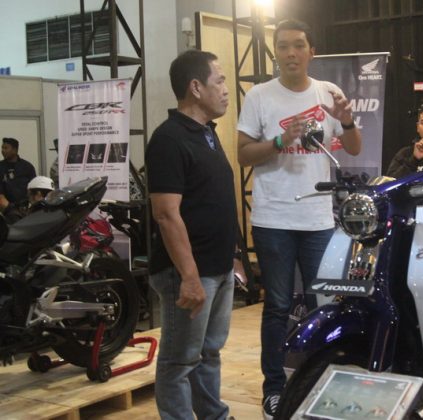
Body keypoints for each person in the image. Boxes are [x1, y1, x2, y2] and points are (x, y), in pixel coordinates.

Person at [236, 18, 362, 419]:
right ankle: (274, 389)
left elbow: (354, 148)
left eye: (298, 45)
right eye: (283, 46)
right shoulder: (259, 96)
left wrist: (346, 120)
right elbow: (242, 154)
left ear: (311, 52)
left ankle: (319, 382)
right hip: (272, 219)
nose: (290, 53)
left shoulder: (328, 92)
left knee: (322, 303)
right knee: (276, 305)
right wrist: (280, 140)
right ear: (276, 53)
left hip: (318, 219)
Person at [145, 49, 237, 420]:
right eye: (220, 80)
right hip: (187, 272)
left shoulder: (208, 134)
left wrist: (231, 260)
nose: (226, 89)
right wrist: (189, 276)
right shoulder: (168, 139)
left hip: (217, 268)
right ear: (196, 88)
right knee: (178, 361)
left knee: (209, 353)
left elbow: (211, 202)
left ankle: (214, 415)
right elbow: (166, 214)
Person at [0, 137, 36, 211]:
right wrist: (8, 209)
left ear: (15, 150)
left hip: (26, 208)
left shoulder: (27, 167)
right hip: (5, 209)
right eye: (2, 148)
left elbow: (34, 188)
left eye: (6, 148)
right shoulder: (1, 167)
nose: (2, 150)